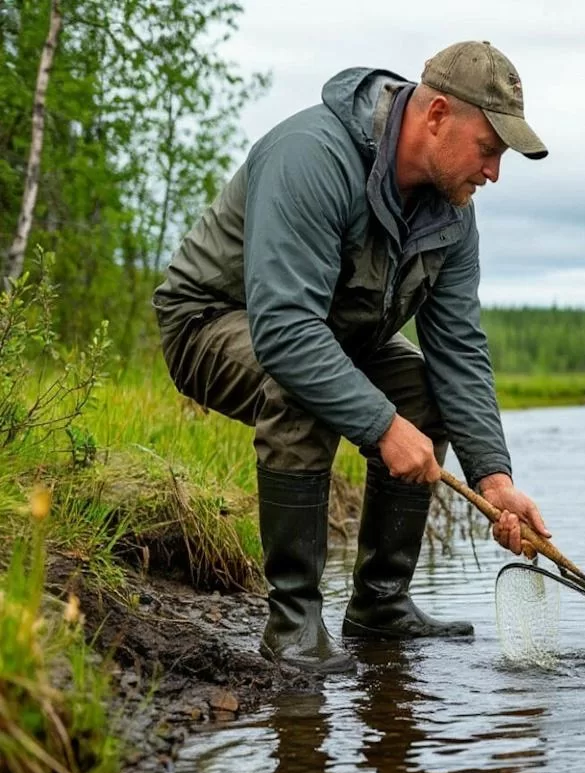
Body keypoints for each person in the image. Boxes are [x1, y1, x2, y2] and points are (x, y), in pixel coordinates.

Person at [151, 41, 551, 674]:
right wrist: (384, 426)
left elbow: (459, 351)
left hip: (334, 335)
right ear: (437, 115)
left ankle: (379, 605)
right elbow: (287, 332)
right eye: (488, 148)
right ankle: (292, 625)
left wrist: (494, 480)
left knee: (422, 392)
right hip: (210, 323)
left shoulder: (453, 214)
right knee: (306, 388)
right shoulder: (310, 156)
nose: (494, 172)